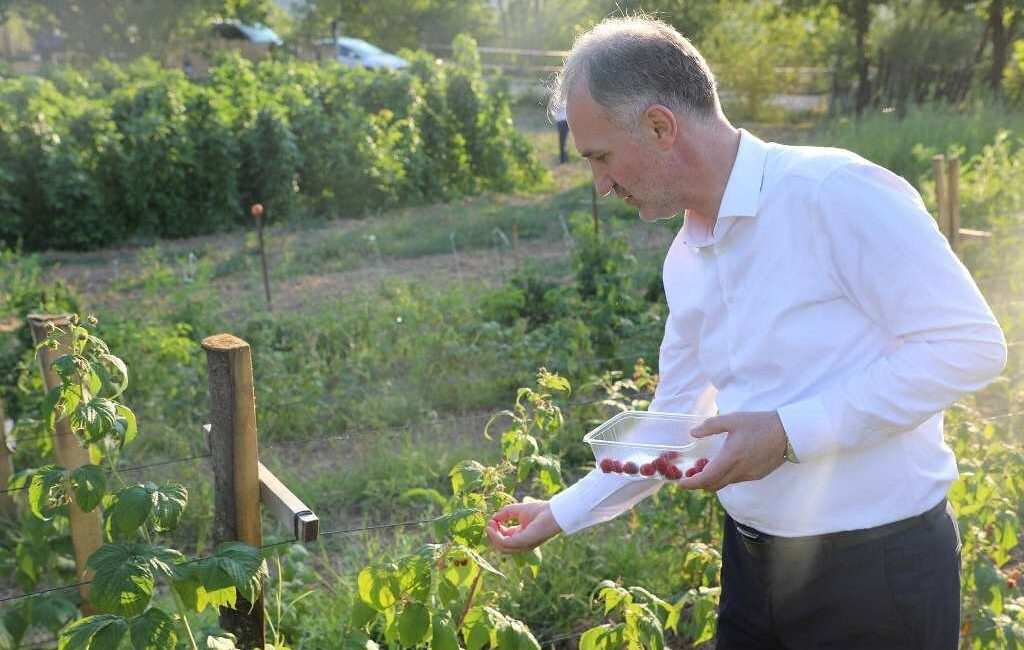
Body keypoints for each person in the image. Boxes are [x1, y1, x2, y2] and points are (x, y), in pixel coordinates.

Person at [485, 15, 1007, 650]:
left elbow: (969, 345)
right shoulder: (687, 254)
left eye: (600, 157)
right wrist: (559, 513)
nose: (600, 183)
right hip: (753, 571)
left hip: (878, 576)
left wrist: (788, 433)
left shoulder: (833, 193)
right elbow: (676, 417)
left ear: (659, 126)